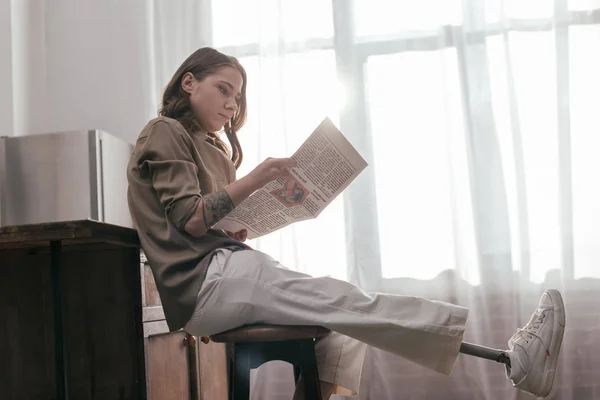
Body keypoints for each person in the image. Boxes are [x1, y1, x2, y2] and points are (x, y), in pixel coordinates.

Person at [126, 47, 566, 399]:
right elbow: (191, 218)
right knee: (348, 302)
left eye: (237, 96)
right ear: (189, 82)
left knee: (345, 330)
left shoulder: (213, 148)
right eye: (223, 89)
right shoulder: (164, 131)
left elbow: (205, 221)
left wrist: (236, 225)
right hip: (207, 282)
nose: (231, 103)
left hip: (225, 271)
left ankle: (510, 361)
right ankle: (513, 360)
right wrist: (258, 177)